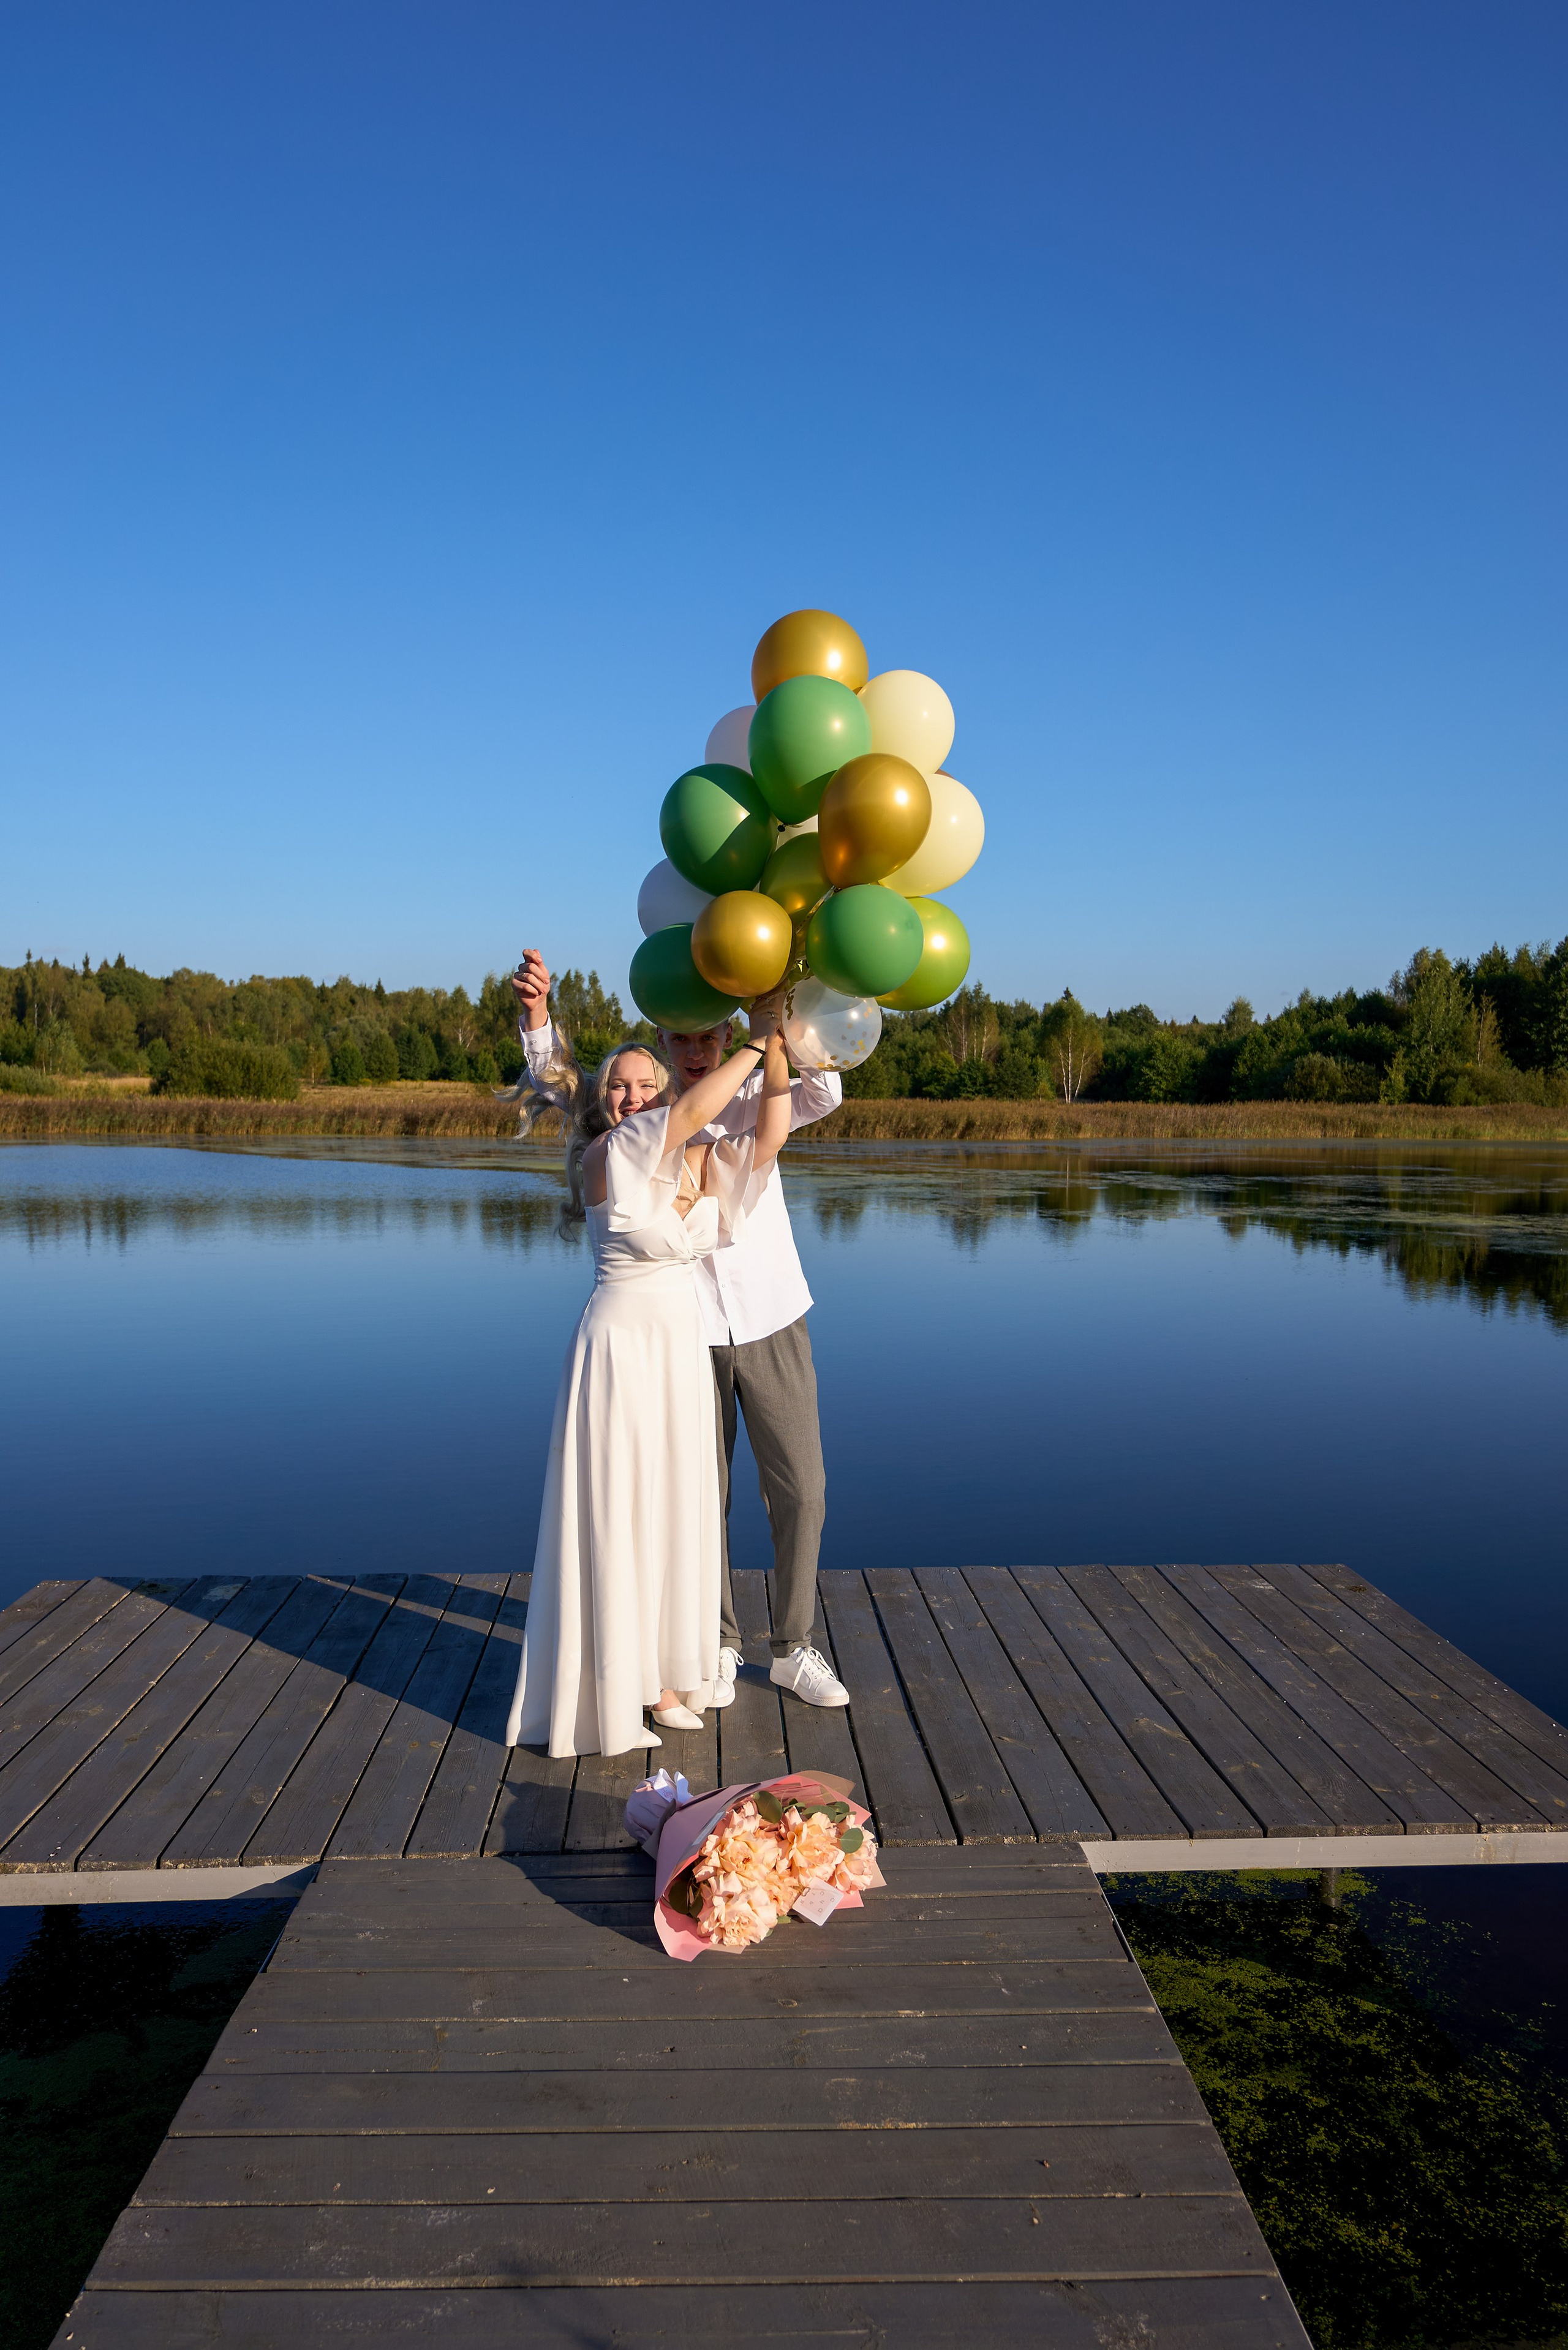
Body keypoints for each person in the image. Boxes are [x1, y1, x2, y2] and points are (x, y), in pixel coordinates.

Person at [511, 948, 851, 1708]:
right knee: (700, 1497)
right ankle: (714, 1642)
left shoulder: (760, 1087)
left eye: (708, 1039)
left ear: (726, 1038)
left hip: (769, 1314)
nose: (696, 1050)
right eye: (682, 1040)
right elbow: (565, 1089)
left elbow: (819, 1094)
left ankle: (794, 1645)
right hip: (678, 1332)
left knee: (802, 1488)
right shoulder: (649, 1119)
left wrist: (785, 1021)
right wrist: (537, 1021)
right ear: (665, 1047)